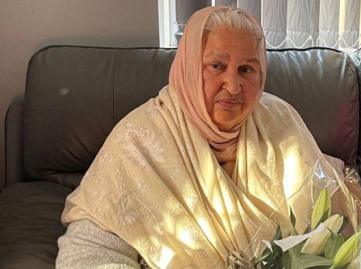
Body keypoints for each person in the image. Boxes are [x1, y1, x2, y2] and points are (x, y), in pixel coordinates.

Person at [56, 6, 343, 269]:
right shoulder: (138, 139)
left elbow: (341, 219)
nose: (232, 86)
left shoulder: (281, 121)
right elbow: (88, 254)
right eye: (216, 66)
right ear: (189, 67)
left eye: (246, 70)